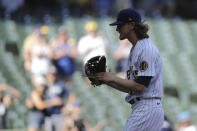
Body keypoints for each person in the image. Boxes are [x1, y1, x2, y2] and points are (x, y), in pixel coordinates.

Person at [94, 8, 164, 131]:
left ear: (131, 25)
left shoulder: (145, 48)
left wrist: (113, 78)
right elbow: (130, 87)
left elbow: (140, 86)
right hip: (143, 106)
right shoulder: (135, 49)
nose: (117, 29)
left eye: (120, 25)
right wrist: (108, 81)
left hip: (147, 107)